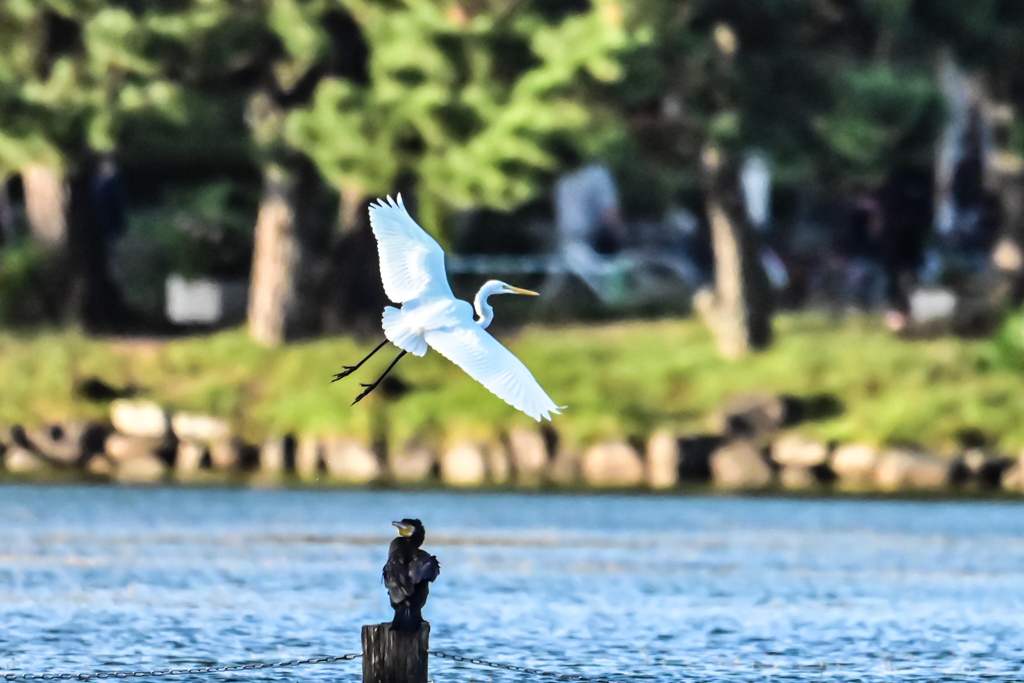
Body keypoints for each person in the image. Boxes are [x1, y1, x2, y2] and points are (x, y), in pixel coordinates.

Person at [383, 519, 441, 632]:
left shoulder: (394, 561)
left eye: (408, 527)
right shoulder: (423, 558)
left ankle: (404, 620)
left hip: (403, 601)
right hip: (413, 602)